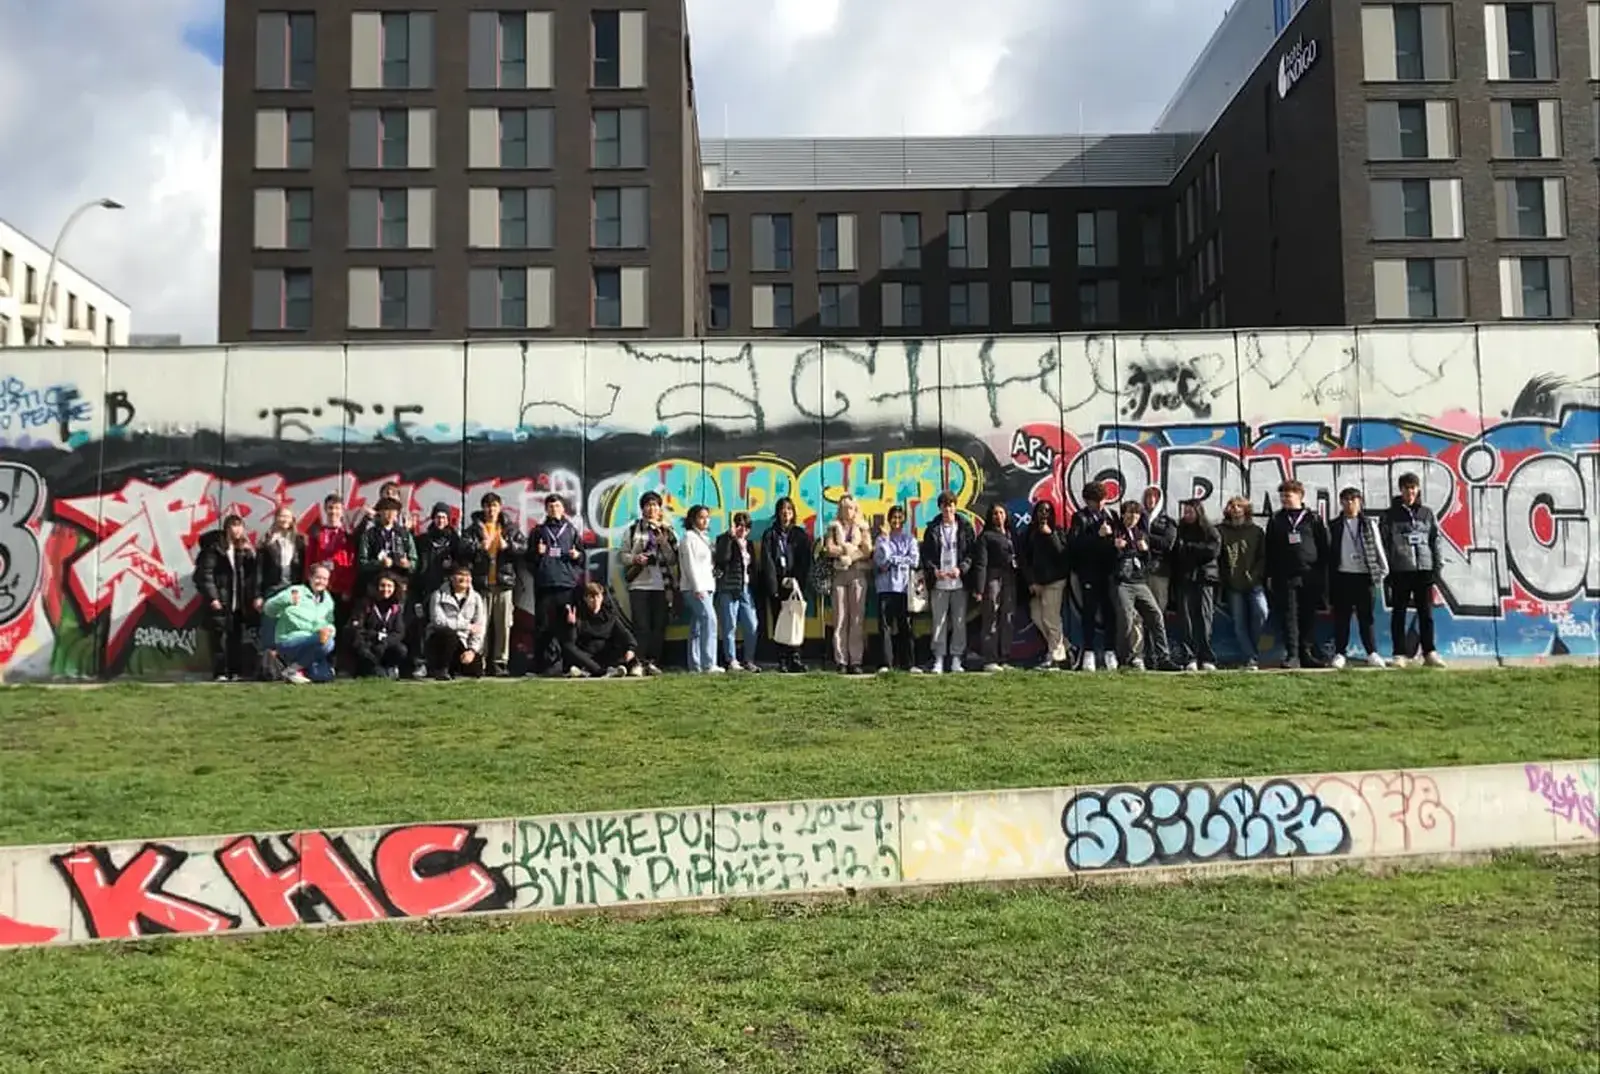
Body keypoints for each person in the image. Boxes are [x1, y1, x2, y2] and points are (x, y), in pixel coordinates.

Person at [1381, 472, 1447, 668]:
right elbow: (1384, 543)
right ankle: (1399, 654)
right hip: (1400, 569)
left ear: (1417, 490)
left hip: (1423, 569)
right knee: (1399, 612)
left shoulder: (1426, 513)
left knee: (1426, 613)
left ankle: (1429, 653)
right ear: (1400, 490)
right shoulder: (1390, 515)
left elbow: (1435, 540)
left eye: (1413, 488)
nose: (1410, 492)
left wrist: (1436, 567)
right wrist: (1388, 569)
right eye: (1406, 488)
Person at [1265, 478, 1330, 669]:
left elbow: (1324, 546)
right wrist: (1270, 575)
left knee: (1308, 615)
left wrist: (1320, 573)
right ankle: (1292, 655)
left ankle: (1307, 653)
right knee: (1289, 616)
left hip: (1310, 575)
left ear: (1300, 496)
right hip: (1285, 576)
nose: (1284, 499)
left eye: (1288, 495)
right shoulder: (1276, 519)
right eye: (1282, 495)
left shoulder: (1313, 518)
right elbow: (1270, 548)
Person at [462, 492, 525, 676]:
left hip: (503, 584)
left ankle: (500, 663)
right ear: (483, 508)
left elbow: (524, 548)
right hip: (482, 584)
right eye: (488, 506)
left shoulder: (509, 528)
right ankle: (480, 662)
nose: (491, 510)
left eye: (494, 506)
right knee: (481, 625)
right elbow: (462, 548)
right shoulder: (474, 528)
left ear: (500, 507)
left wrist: (509, 546)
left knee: (503, 625)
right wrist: (479, 546)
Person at [1328, 486, 1389, 669]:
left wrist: (1382, 570)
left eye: (1353, 500)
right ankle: (1340, 653)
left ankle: (1372, 652)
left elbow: (1378, 547)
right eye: (1346, 500)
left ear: (1360, 502)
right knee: (1342, 617)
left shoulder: (1369, 524)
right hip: (1343, 576)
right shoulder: (1334, 525)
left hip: (1364, 576)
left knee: (1366, 617)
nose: (1350, 503)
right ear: (1341, 502)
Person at [619, 491, 678, 676]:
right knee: (641, 626)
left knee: (659, 626)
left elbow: (673, 559)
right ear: (642, 508)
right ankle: (638, 663)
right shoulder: (632, 530)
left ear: (660, 508)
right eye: (648, 505)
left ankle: (653, 662)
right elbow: (622, 555)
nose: (651, 509)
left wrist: (664, 544)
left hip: (661, 585)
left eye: (655, 505)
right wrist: (636, 558)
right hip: (639, 584)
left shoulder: (668, 530)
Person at [1111, 501, 1175, 671]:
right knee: (1126, 618)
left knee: (1155, 615)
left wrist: (1145, 551)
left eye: (1137, 515)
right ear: (1123, 514)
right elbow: (1106, 558)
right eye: (1129, 514)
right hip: (1122, 582)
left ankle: (1163, 657)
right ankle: (1125, 658)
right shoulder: (1116, 532)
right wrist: (1115, 549)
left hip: (1139, 581)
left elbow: (1146, 562)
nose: (1133, 518)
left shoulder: (1141, 534)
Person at [194, 513, 258, 681]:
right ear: (226, 528)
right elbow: (204, 575)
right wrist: (213, 597)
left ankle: (235, 672)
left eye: (239, 526)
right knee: (219, 639)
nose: (236, 530)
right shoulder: (215, 549)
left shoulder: (241, 549)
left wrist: (250, 553)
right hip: (221, 600)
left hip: (237, 601)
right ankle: (220, 672)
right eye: (233, 526)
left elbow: (250, 573)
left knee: (235, 637)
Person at [920, 490, 977, 674]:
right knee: (939, 621)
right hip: (939, 583)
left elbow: (971, 554)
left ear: (955, 506)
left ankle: (956, 659)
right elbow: (926, 555)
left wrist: (961, 569)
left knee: (959, 622)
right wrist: (934, 571)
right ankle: (938, 658)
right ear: (940, 507)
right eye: (945, 506)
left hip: (959, 583)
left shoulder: (965, 527)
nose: (948, 509)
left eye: (951, 505)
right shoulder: (933, 529)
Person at [1067, 482, 1120, 671]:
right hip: (1089, 572)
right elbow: (1074, 544)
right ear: (1087, 501)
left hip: (1109, 571)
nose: (1099, 505)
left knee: (1110, 612)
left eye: (1102, 501)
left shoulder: (1112, 516)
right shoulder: (1079, 517)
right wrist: (1097, 535)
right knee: (1089, 611)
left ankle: (1110, 651)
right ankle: (1088, 651)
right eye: (1095, 502)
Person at [528, 493, 583, 674]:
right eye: (551, 507)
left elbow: (582, 557)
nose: (554, 509)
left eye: (557, 506)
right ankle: (542, 666)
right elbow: (529, 560)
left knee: (567, 626)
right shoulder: (538, 531)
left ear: (563, 509)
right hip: (545, 585)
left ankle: (569, 665)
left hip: (566, 585)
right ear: (546, 510)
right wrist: (538, 553)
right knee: (542, 627)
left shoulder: (572, 530)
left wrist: (577, 556)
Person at [261, 562, 338, 684]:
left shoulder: (328, 600)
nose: (321, 582)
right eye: (318, 578)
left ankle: (298, 668)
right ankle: (292, 670)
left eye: (325, 579)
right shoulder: (295, 591)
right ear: (310, 577)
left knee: (324, 676)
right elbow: (268, 609)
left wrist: (329, 630)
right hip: (289, 640)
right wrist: (286, 600)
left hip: (312, 642)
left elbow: (329, 622)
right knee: (329, 644)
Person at [760, 497, 813, 672]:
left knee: (796, 621)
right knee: (780, 622)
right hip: (778, 585)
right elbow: (767, 561)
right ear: (778, 513)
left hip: (795, 585)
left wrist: (797, 581)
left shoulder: (799, 534)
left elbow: (805, 560)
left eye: (789, 510)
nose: (786, 513)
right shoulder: (770, 534)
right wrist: (774, 586)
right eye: (783, 510)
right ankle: (782, 659)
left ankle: (795, 657)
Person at [822, 495, 873, 674]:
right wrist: (845, 550)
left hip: (858, 574)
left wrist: (851, 556)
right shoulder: (833, 526)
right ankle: (841, 660)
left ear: (855, 509)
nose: (847, 511)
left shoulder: (863, 526)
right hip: (839, 575)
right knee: (840, 618)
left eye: (850, 507)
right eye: (843, 507)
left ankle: (856, 660)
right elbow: (829, 548)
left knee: (857, 619)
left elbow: (867, 549)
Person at [411, 503, 463, 678]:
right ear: (433, 518)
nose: (441, 520)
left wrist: (452, 566)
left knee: (445, 628)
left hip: (446, 592)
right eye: (438, 517)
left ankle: (443, 665)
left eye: (444, 517)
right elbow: (416, 567)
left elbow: (462, 563)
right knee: (422, 627)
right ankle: (421, 663)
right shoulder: (422, 540)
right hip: (425, 589)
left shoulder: (454, 541)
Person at [1019, 499, 1071, 671]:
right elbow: (1023, 560)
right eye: (1041, 510)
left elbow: (1062, 555)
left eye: (1048, 511)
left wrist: (1050, 535)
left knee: (1051, 618)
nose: (1044, 514)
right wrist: (1031, 582)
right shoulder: (1029, 534)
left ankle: (1055, 657)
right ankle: (1067, 647)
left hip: (1055, 581)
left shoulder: (1058, 531)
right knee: (1037, 616)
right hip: (1037, 584)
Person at [1170, 498, 1221, 671]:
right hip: (1185, 578)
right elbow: (1176, 551)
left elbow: (1212, 551)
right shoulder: (1179, 529)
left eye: (1190, 512)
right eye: (1185, 512)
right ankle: (1189, 657)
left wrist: (1190, 548)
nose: (1187, 515)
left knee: (1204, 618)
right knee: (1186, 620)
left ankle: (1207, 657)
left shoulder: (1210, 530)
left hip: (1204, 579)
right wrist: (1191, 551)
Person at [1219, 496, 1269, 669]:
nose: (1235, 508)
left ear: (1246, 510)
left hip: (1254, 583)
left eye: (1239, 506)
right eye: (1232, 505)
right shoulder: (1221, 531)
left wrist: (1255, 575)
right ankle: (1251, 657)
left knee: (1261, 612)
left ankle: (1253, 650)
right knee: (1239, 623)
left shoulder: (1256, 531)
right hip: (1233, 585)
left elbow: (1263, 557)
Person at [873, 505, 920, 673]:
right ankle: (886, 663)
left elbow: (914, 561)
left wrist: (892, 560)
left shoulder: (910, 539)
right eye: (894, 517)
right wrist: (890, 547)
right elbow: (880, 560)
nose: (897, 521)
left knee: (905, 625)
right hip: (885, 587)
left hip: (904, 587)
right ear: (889, 519)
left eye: (900, 517)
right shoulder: (881, 539)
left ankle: (909, 663)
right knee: (885, 626)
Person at [714, 511, 762, 672]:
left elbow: (752, 568)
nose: (743, 529)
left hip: (745, 589)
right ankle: (731, 660)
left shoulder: (749, 545)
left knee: (752, 624)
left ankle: (749, 659)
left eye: (746, 526)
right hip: (729, 588)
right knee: (729, 625)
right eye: (739, 525)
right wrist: (730, 537)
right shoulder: (723, 539)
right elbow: (722, 558)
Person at [562, 582, 641, 678]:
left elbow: (627, 636)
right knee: (568, 648)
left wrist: (630, 649)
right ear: (585, 599)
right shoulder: (579, 616)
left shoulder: (609, 616)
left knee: (624, 649)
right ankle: (602, 671)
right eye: (591, 597)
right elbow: (571, 642)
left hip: (606, 653)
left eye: (598, 597)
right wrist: (572, 625)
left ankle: (635, 666)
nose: (595, 601)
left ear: (602, 598)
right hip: (587, 656)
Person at [976, 502, 1018, 672]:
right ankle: (990, 659)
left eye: (1001, 513)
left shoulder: (1011, 534)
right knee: (991, 616)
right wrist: (979, 588)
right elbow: (981, 563)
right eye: (995, 513)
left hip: (1010, 577)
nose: (998, 516)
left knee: (1007, 617)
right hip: (992, 577)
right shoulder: (986, 536)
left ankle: (1005, 657)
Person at [426, 564, 486, 679]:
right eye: (460, 575)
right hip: (440, 641)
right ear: (451, 578)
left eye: (468, 575)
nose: (464, 579)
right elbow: (438, 622)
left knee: (476, 670)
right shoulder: (438, 595)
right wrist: (467, 626)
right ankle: (441, 669)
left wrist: (472, 650)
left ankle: (454, 668)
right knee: (449, 635)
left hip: (463, 642)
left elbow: (479, 627)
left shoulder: (476, 598)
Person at [680, 504, 721, 673]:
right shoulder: (689, 538)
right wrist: (697, 587)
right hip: (695, 588)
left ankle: (695, 664)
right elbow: (690, 565)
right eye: (701, 517)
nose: (705, 520)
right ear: (693, 520)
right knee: (709, 620)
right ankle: (708, 663)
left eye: (707, 517)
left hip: (708, 585)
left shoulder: (705, 538)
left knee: (697, 625)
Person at [1140, 486, 1177, 664]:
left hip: (1159, 572)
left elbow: (1167, 543)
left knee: (1157, 614)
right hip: (1141, 571)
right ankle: (1145, 653)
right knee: (1141, 615)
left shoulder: (1167, 521)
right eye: (1148, 496)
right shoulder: (1139, 518)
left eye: (1154, 497)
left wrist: (1147, 538)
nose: (1151, 500)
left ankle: (1160, 653)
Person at [306, 496, 356, 627]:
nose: (333, 511)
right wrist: (308, 583)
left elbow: (352, 561)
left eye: (337, 508)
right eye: (330, 508)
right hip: (321, 584)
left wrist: (348, 587)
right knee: (320, 622)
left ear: (342, 510)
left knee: (340, 622)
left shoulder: (348, 534)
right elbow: (310, 559)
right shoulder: (317, 532)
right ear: (325, 509)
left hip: (341, 585)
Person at [358, 496, 417, 600]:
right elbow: (362, 562)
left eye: (393, 511)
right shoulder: (369, 535)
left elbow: (414, 560)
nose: (389, 514)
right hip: (376, 584)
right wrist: (379, 564)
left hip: (399, 583)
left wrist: (407, 564)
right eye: (386, 510)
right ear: (379, 512)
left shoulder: (404, 534)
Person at [351, 572, 409, 679]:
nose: (385, 589)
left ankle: (389, 667)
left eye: (389, 586)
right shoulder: (365, 604)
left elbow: (399, 632)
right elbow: (358, 629)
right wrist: (375, 637)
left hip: (385, 646)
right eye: (382, 585)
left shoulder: (396, 607)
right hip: (368, 645)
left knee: (401, 650)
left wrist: (385, 642)